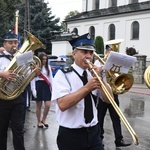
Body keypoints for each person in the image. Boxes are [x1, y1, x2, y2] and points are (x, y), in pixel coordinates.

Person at [51, 33, 114, 150]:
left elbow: (109, 100)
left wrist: (101, 80)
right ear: (74, 54)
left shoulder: (94, 74)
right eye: (84, 52)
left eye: (91, 53)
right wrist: (87, 88)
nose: (88, 56)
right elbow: (63, 104)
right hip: (71, 135)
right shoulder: (63, 75)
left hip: (94, 132)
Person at [0, 31, 41, 150]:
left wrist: (34, 73)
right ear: (4, 44)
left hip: (17, 98)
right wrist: (3, 74)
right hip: (2, 100)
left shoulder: (22, 57)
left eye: (16, 42)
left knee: (18, 130)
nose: (14, 45)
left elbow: (26, 76)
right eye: (10, 43)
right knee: (1, 131)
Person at [94, 45, 131, 148]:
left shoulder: (115, 64)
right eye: (108, 51)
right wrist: (102, 67)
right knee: (100, 117)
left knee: (116, 117)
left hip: (114, 92)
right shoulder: (98, 62)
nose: (109, 53)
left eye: (111, 51)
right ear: (106, 51)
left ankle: (119, 139)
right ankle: (99, 138)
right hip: (102, 93)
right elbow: (95, 74)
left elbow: (122, 75)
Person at [31, 52, 53, 128]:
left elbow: (51, 78)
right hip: (38, 85)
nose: (44, 61)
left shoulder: (48, 67)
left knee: (48, 104)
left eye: (46, 59)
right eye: (43, 59)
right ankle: (38, 121)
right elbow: (32, 79)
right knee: (39, 105)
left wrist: (52, 88)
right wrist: (33, 90)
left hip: (46, 85)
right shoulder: (35, 67)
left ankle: (44, 119)